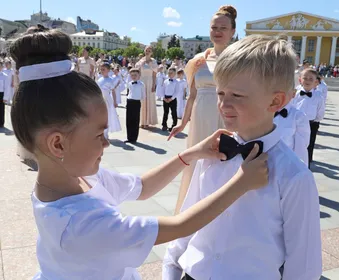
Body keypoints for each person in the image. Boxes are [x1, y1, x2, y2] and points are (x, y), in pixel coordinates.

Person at [10, 26, 270, 280]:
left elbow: (142, 187)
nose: (106, 144)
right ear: (57, 144)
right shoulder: (80, 225)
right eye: (100, 135)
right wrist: (241, 183)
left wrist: (191, 154)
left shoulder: (72, 179)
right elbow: (181, 226)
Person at [163, 35, 322, 280]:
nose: (224, 105)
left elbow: (304, 266)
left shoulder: (295, 176)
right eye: (221, 93)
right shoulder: (213, 154)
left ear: (276, 100)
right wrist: (171, 271)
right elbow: (186, 224)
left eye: (237, 96)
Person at [169, 5, 237, 213]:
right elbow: (192, 96)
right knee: (198, 163)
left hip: (226, 117)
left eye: (223, 28)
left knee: (224, 163)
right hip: (200, 118)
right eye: (214, 27)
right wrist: (182, 123)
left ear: (232, 32)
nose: (217, 31)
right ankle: (193, 211)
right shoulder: (198, 61)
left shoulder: (239, 60)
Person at [292, 68, 326, 168]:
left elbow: (320, 111)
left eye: (311, 79)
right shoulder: (295, 93)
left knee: (309, 144)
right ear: (300, 80)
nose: (307, 81)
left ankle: (306, 166)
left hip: (311, 123)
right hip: (295, 122)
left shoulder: (318, 96)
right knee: (294, 142)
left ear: (316, 82)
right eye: (305, 78)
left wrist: (316, 121)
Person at [274, 89, 310, 165]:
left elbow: (301, 147)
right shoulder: (263, 113)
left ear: (293, 93)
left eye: (284, 93)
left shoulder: (298, 117)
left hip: (286, 164)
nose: (279, 96)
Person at [97, 62, 121, 139]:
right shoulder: (100, 79)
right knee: (100, 116)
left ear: (108, 70)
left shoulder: (110, 80)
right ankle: (100, 132)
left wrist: (115, 101)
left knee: (107, 116)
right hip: (100, 99)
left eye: (104, 69)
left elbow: (113, 91)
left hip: (107, 99)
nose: (102, 71)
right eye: (101, 69)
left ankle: (105, 133)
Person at [135, 46, 158, 128]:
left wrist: (154, 85)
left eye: (149, 51)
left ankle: (148, 121)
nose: (147, 52)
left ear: (152, 52)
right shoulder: (141, 61)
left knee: (149, 101)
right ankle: (142, 121)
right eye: (146, 50)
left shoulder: (154, 61)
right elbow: (136, 71)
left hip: (150, 81)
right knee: (142, 101)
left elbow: (155, 75)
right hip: (142, 81)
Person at [125, 68, 145, 143]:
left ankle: (134, 138)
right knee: (129, 120)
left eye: (135, 75)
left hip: (136, 102)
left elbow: (143, 95)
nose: (133, 77)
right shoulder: (129, 83)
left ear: (139, 76)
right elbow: (129, 92)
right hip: (129, 101)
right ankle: (129, 137)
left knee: (135, 120)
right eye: (132, 75)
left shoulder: (141, 84)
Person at [0, 63, 7, 127]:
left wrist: (5, 97)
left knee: (1, 108)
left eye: (0, 66)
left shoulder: (4, 75)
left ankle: (1, 123)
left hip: (1, 94)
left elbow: (6, 87)